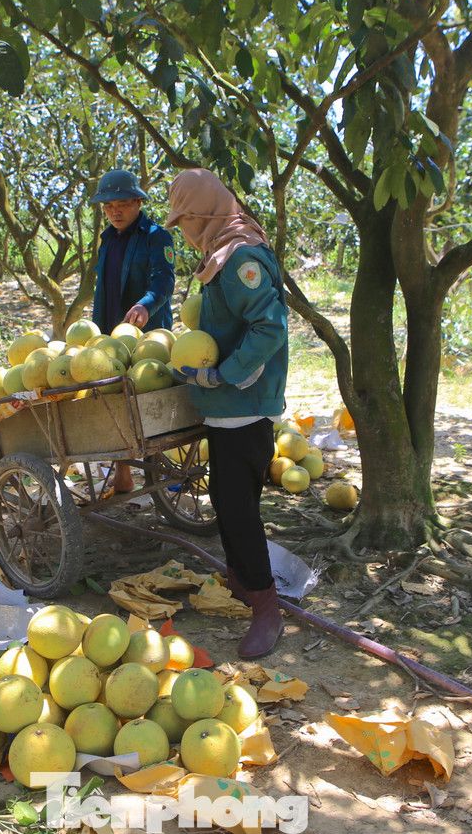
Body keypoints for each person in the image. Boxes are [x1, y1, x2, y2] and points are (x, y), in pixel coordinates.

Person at [163, 169, 288, 659]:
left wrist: (226, 373)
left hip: (242, 405)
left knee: (239, 511)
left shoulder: (241, 258)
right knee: (227, 499)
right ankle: (241, 579)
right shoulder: (223, 253)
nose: (187, 231)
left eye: (188, 220)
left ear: (207, 212)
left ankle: (266, 609)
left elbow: (269, 327)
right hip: (227, 409)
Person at [89, 169, 176, 492]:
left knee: (149, 400)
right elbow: (104, 288)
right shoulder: (107, 240)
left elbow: (164, 279)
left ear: (139, 201)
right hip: (112, 334)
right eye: (109, 207)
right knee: (116, 401)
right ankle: (123, 474)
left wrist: (145, 305)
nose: (115, 211)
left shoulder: (156, 236)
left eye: (123, 204)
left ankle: (162, 470)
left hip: (149, 333)